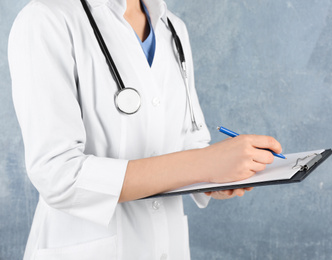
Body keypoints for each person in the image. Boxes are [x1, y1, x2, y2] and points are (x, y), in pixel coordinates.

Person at [8, 0, 283, 259]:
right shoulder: (46, 18)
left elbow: (188, 142)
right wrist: (204, 164)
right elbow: (58, 175)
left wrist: (219, 176)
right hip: (85, 246)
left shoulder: (172, 27)